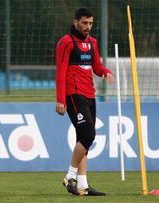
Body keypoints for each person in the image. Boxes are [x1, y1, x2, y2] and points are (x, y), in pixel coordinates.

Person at [55, 8, 114, 196]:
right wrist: (60, 100)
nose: (87, 27)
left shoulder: (93, 43)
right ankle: (69, 176)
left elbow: (95, 66)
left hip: (90, 95)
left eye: (90, 23)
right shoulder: (66, 42)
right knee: (88, 133)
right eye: (84, 23)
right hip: (74, 95)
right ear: (75, 22)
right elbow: (61, 72)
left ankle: (83, 185)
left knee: (84, 139)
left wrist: (105, 71)